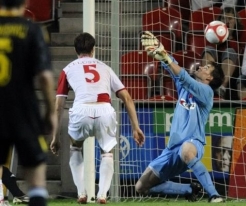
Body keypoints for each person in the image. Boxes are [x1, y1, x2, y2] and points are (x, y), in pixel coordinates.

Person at [50, 32, 145, 204]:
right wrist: (136, 127)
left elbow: (58, 105)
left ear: (75, 50)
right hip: (104, 110)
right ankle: (102, 194)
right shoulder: (105, 68)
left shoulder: (68, 69)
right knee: (107, 152)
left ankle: (81, 193)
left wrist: (55, 137)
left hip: (81, 111)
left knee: (75, 148)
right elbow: (127, 98)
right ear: (93, 49)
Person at [135, 31, 225, 203]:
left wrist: (166, 58)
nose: (201, 66)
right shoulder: (184, 87)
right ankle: (188, 189)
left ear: (209, 77)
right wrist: (161, 52)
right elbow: (174, 68)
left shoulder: (207, 93)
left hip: (193, 143)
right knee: (141, 187)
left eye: (206, 68)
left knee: (186, 150)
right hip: (171, 150)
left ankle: (214, 195)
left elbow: (184, 76)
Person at [0, 0, 56, 206]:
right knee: (36, 173)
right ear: (25, 2)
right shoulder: (34, 31)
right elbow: (45, 78)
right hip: (24, 111)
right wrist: (50, 112)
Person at [202, 7, 243, 100]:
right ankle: (207, 83)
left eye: (230, 19)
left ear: (235, 21)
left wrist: (228, 35)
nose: (227, 21)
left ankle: (221, 88)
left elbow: (239, 50)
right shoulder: (212, 35)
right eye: (224, 18)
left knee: (230, 51)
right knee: (208, 49)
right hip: (215, 64)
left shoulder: (240, 35)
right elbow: (210, 49)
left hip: (234, 66)